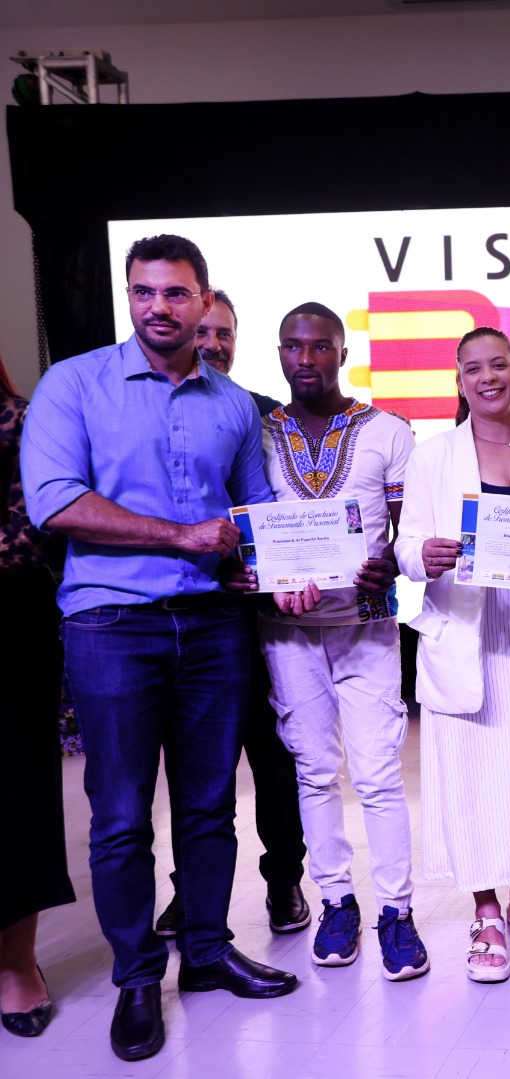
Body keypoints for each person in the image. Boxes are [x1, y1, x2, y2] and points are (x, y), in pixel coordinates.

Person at [20, 235, 300, 1062]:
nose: (158, 308)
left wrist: (272, 567)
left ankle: (207, 953)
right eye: (143, 292)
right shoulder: (74, 384)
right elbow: (55, 501)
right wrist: (181, 537)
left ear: (204, 301)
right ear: (128, 296)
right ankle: (140, 975)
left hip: (215, 623)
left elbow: (252, 513)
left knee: (212, 802)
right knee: (120, 812)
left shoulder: (233, 404)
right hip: (112, 624)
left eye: (176, 294)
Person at [395, 326, 510, 983]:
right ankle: (484, 909)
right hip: (468, 624)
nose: (487, 377)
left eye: (498, 364)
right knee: (476, 771)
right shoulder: (434, 456)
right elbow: (405, 542)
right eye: (472, 368)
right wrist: (426, 554)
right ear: (459, 379)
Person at [250, 303, 428, 979]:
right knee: (314, 772)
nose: (306, 358)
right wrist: (268, 581)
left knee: (379, 774)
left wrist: (390, 559)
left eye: (320, 346)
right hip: (289, 632)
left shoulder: (387, 430)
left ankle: (397, 911)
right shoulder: (258, 435)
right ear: (280, 353)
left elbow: (409, 529)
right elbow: (250, 528)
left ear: (342, 351)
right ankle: (336, 901)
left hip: (367, 627)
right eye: (293, 346)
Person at [158, 284, 308, 940]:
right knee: (193, 770)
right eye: (205, 331)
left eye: (225, 333)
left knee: (274, 762)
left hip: (258, 624)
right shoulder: (152, 412)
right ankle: (189, 896)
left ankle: (284, 884)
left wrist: (274, 569)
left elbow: (287, 513)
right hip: (185, 619)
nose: (214, 343)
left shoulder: (265, 414)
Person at [0, 358, 74, 1039]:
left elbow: (37, 527)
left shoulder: (22, 420)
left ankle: (17, 963)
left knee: (16, 800)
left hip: (9, 634)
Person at [196, 289, 283, 416]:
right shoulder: (158, 407)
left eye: (224, 334)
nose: (213, 345)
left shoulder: (268, 415)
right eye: (200, 332)